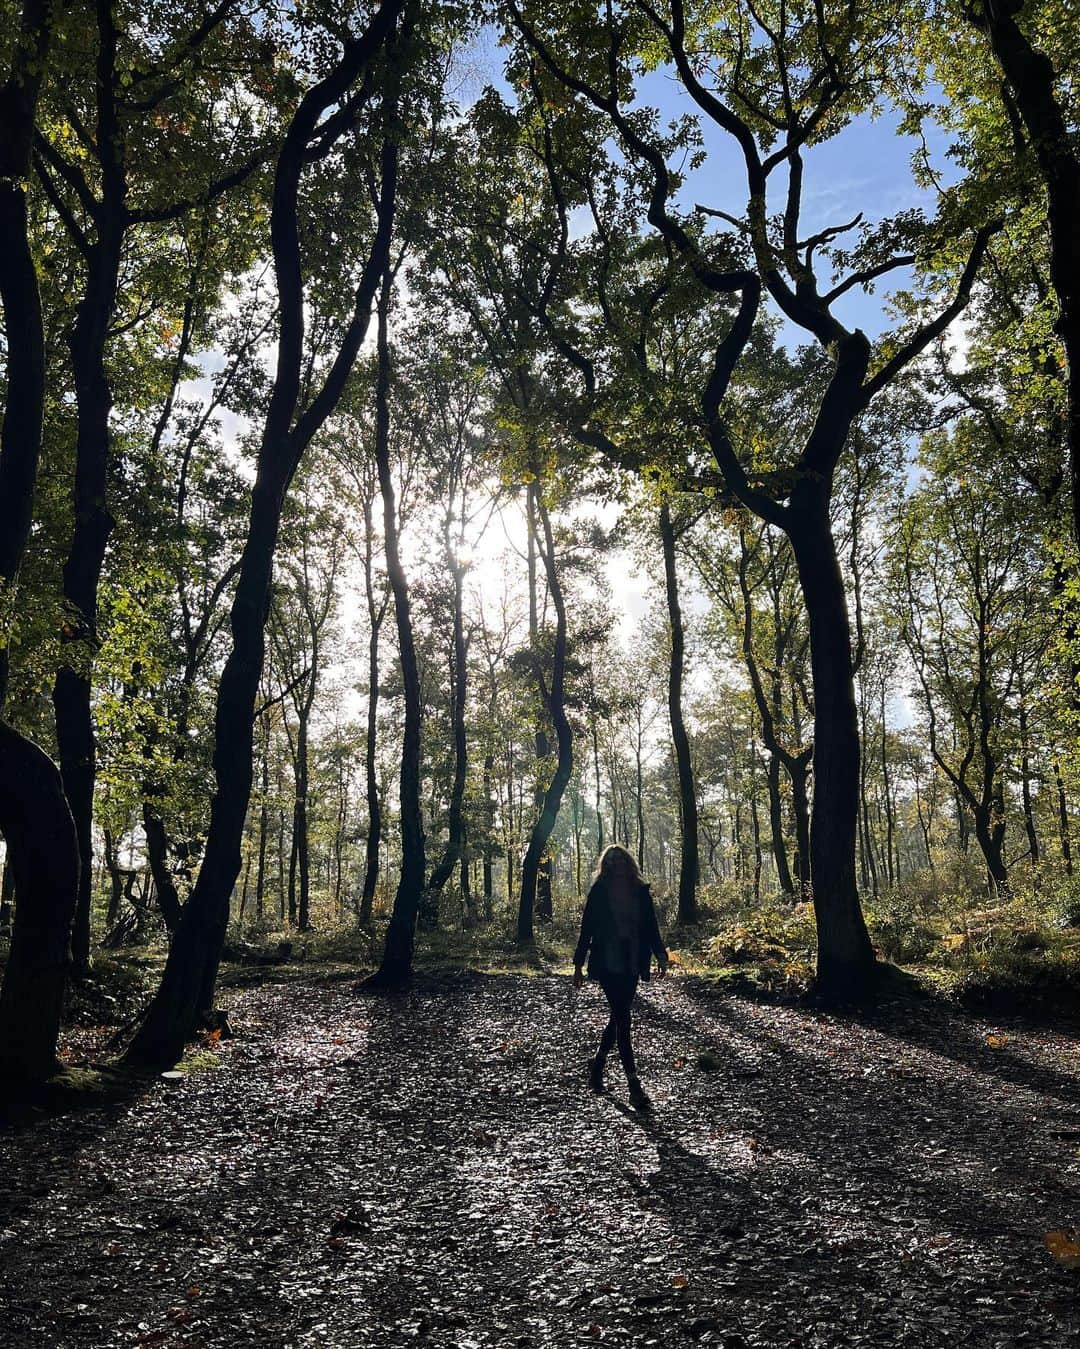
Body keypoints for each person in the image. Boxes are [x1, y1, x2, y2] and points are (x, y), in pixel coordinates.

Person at [572, 843, 669, 1109]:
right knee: (623, 1018)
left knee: (619, 1016)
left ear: (628, 863)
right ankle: (634, 1085)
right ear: (606, 865)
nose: (616, 865)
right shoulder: (599, 892)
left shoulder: (640, 892)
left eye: (620, 860)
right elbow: (587, 929)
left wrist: (661, 956)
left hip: (632, 960)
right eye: (611, 861)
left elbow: (651, 927)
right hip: (607, 960)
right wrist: (578, 964)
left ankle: (599, 1063)